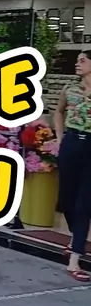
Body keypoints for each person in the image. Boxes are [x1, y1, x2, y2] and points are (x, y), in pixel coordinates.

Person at [55, 50, 91, 282]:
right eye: (77, 60)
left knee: (84, 203)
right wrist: (60, 138)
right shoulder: (70, 88)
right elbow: (59, 112)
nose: (77, 64)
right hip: (71, 142)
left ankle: (75, 260)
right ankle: (75, 237)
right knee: (66, 200)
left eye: (83, 60)